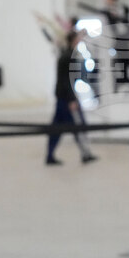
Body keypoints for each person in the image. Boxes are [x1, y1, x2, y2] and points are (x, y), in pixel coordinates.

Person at [45, 29, 97, 166]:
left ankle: (50, 155)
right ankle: (85, 153)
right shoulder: (69, 57)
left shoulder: (65, 54)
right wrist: (72, 99)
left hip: (62, 96)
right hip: (67, 98)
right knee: (78, 125)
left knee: (58, 127)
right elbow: (67, 80)